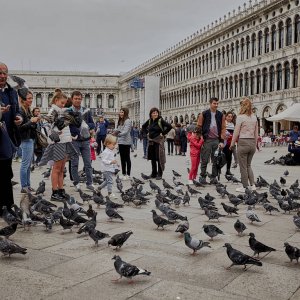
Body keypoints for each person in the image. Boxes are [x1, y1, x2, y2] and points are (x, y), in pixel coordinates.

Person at [39, 90, 77, 201]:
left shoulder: (61, 110)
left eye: (64, 103)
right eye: (62, 102)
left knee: (61, 169)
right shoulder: (53, 110)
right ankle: (54, 192)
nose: (63, 105)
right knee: (56, 169)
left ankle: (60, 190)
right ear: (56, 100)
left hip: (65, 141)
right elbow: (48, 125)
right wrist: (55, 131)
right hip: (58, 142)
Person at [0, 62, 23, 217]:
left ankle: (7, 206)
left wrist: (19, 117)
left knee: (6, 174)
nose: (2, 76)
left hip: (7, 139)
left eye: (5, 73)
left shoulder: (12, 92)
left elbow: (17, 110)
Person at [230, 98, 258, 193]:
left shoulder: (240, 117)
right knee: (248, 165)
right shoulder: (254, 117)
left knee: (243, 166)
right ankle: (253, 185)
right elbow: (256, 133)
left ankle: (245, 186)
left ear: (243, 106)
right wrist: (256, 144)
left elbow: (236, 132)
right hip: (252, 143)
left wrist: (232, 144)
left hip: (243, 142)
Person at [69, 91, 95, 191]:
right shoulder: (69, 111)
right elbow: (67, 126)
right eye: (75, 98)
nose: (77, 100)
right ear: (72, 99)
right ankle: (76, 183)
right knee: (74, 163)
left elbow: (92, 124)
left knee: (88, 163)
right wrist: (78, 129)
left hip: (86, 140)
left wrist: (87, 126)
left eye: (79, 99)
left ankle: (90, 183)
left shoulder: (86, 111)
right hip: (74, 140)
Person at [197, 97, 226, 184]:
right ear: (210, 104)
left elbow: (223, 128)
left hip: (216, 140)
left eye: (217, 103)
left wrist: (221, 141)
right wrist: (200, 139)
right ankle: (202, 176)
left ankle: (213, 177)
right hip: (207, 140)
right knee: (205, 159)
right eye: (214, 103)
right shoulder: (204, 114)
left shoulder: (220, 115)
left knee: (215, 160)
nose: (216, 105)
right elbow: (199, 127)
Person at [142, 107, 172, 180]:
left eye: (156, 113)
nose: (155, 114)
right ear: (151, 114)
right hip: (151, 141)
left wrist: (163, 133)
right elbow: (143, 127)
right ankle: (153, 173)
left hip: (158, 141)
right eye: (153, 113)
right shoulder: (149, 121)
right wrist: (146, 134)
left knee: (159, 157)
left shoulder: (160, 120)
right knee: (152, 158)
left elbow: (169, 126)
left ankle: (160, 174)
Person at [18, 90, 39, 193]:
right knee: (25, 164)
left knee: (28, 164)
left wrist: (34, 122)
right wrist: (31, 121)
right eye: (29, 98)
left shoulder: (28, 110)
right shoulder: (20, 111)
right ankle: (24, 186)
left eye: (32, 98)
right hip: (25, 139)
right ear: (23, 99)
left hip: (30, 138)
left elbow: (31, 126)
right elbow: (19, 128)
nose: (31, 100)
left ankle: (28, 185)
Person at [115, 108, 132, 180]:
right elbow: (118, 129)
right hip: (121, 141)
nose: (121, 113)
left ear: (126, 113)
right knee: (122, 158)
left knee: (127, 158)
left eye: (122, 112)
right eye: (120, 112)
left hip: (126, 142)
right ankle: (123, 173)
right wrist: (114, 132)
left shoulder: (127, 121)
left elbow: (125, 131)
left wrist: (117, 134)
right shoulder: (120, 121)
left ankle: (128, 174)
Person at [223, 112, 235, 176]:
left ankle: (228, 170)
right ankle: (218, 169)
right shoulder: (224, 123)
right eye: (229, 116)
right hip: (224, 143)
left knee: (229, 157)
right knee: (222, 157)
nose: (230, 118)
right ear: (226, 116)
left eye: (231, 117)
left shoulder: (232, 124)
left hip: (230, 143)